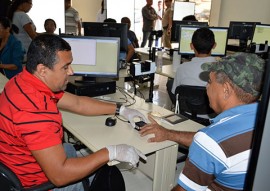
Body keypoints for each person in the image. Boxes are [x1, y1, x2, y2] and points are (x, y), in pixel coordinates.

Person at [0, 34, 147, 190]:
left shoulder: (23, 81)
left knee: (70, 149)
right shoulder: (36, 112)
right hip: (39, 183)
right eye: (65, 67)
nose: (71, 71)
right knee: (111, 177)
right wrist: (111, 152)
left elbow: (78, 103)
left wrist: (121, 109)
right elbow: (59, 176)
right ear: (43, 70)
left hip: (19, 163)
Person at [140, 52, 265, 190]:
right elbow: (217, 144)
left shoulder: (212, 140)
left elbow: (212, 144)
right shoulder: (263, 119)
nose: (206, 87)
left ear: (226, 90)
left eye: (210, 82)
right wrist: (168, 134)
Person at [166, 27, 217, 105]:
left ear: (191, 46)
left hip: (186, 112)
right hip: (211, 114)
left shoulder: (181, 68)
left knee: (171, 83)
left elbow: (175, 92)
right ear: (214, 45)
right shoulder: (222, 69)